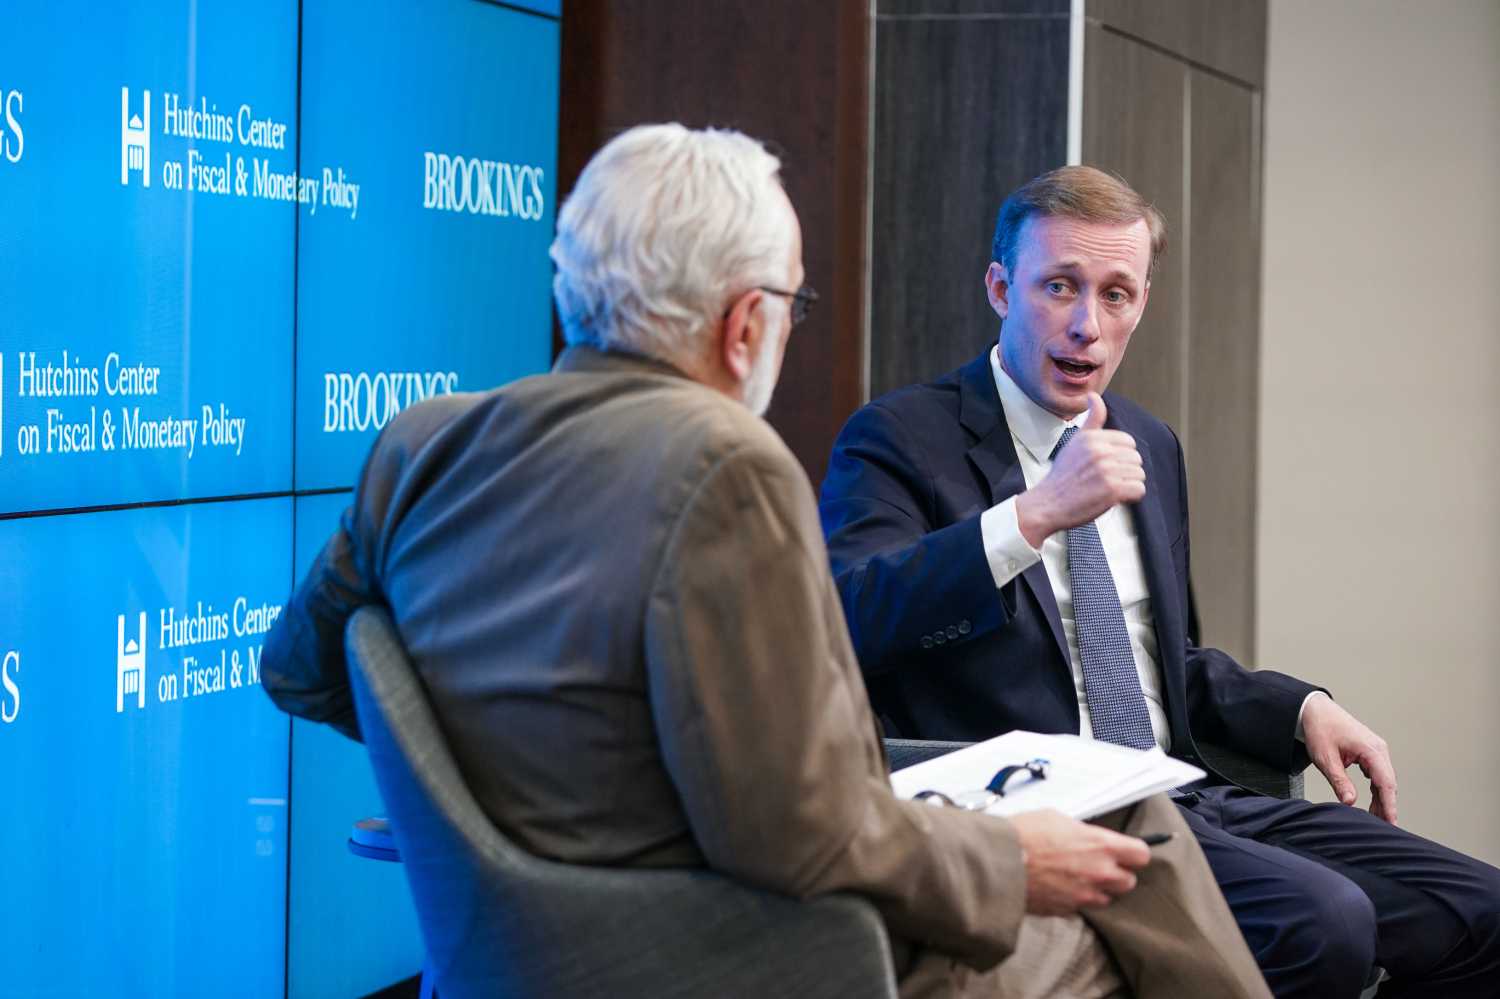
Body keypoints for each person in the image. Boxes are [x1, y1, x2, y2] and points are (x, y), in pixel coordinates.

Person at [261, 127, 1271, 998]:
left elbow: (301, 668)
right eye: (792, 306)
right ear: (746, 325)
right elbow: (797, 837)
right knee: (1125, 896)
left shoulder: (419, 444)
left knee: (1132, 819)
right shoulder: (728, 466)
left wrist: (482, 786)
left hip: (522, 946)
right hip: (733, 951)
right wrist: (1010, 857)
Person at [819, 164, 1500, 999]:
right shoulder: (899, 437)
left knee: (1481, 913)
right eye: (1059, 287)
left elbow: (1160, 659)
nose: (1086, 327)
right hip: (1047, 815)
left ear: (1143, 300)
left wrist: (1298, 706)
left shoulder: (1149, 440)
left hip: (1184, 789)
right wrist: (1032, 516)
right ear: (1000, 287)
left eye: (1116, 294)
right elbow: (851, 616)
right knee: (1325, 920)